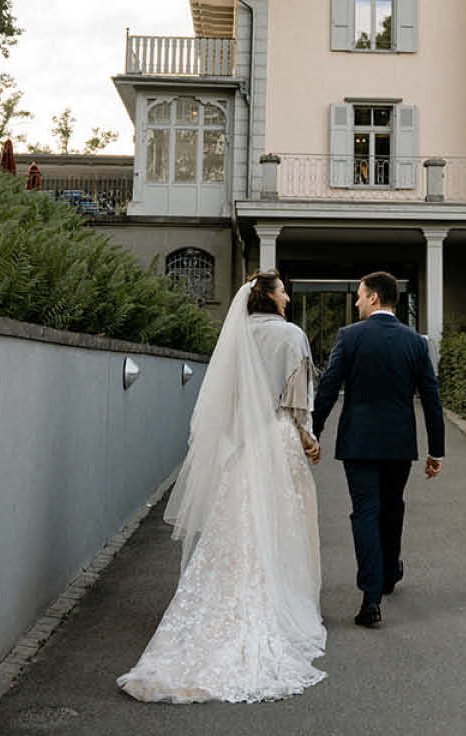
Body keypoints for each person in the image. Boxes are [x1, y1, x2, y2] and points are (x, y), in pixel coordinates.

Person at [117, 270, 327, 703]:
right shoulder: (291, 336)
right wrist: (309, 439)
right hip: (277, 437)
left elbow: (223, 400)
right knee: (282, 519)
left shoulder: (235, 337)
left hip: (242, 441)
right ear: (269, 296)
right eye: (283, 289)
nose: (287, 295)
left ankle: (226, 596)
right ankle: (275, 598)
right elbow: (296, 402)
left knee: (238, 523)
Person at [313, 271, 446, 629]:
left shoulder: (350, 337)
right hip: (399, 443)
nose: (356, 302)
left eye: (359, 295)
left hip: (358, 442)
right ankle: (389, 570)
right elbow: (431, 398)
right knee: (392, 507)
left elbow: (327, 388)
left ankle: (371, 598)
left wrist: (312, 432)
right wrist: (436, 451)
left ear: (374, 297)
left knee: (365, 513)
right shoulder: (416, 343)